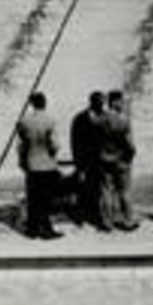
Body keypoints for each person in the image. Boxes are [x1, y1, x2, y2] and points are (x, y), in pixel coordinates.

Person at [15, 92, 63, 240]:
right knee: (46, 198)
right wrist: (53, 153)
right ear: (45, 102)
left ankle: (32, 229)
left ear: (32, 104)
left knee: (33, 198)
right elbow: (55, 144)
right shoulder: (50, 120)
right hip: (47, 163)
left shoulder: (24, 121)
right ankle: (46, 229)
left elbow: (21, 145)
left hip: (31, 163)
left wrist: (22, 161)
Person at [99, 90, 138, 231]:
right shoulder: (123, 120)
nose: (122, 104)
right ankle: (128, 221)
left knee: (106, 191)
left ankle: (107, 222)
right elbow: (129, 145)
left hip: (104, 159)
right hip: (121, 160)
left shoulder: (101, 119)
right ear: (114, 102)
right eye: (121, 101)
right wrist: (131, 155)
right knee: (124, 191)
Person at [69, 91, 107, 228]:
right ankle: (80, 217)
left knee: (99, 190)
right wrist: (78, 162)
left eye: (102, 102)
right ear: (92, 102)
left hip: (101, 160)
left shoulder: (105, 117)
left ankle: (96, 216)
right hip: (85, 160)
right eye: (99, 102)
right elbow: (75, 141)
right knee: (83, 189)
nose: (101, 105)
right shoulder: (80, 118)